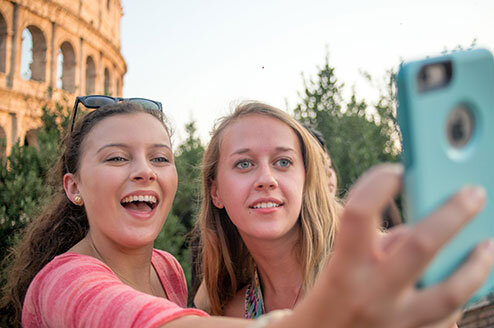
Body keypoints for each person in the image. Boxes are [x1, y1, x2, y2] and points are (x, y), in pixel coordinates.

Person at [0, 98, 492, 328]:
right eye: (115, 157)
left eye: (159, 157)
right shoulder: (65, 281)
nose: (143, 171)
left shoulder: (169, 272)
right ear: (214, 191)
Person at [193, 101, 494, 326]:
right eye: (244, 164)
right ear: (216, 191)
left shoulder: (380, 272)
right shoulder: (228, 313)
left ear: (306, 178)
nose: (267, 178)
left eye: (283, 162)